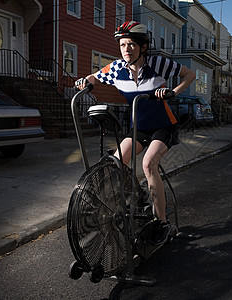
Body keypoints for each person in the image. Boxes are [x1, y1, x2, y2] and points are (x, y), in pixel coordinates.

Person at [75, 21, 195, 245]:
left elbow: (190, 74)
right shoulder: (116, 69)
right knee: (116, 162)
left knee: (148, 164)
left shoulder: (158, 64)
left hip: (163, 125)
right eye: (122, 45)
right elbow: (94, 77)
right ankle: (139, 197)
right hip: (138, 128)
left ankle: (162, 222)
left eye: (131, 44)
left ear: (142, 46)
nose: (126, 49)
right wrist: (84, 81)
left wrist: (172, 92)